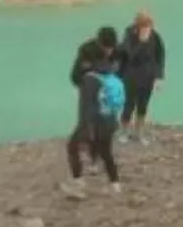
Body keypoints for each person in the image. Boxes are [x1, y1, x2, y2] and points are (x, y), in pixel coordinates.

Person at [64, 53, 125, 199]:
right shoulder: (110, 76)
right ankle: (115, 185)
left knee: (72, 147)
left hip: (95, 124)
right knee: (106, 153)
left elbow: (87, 108)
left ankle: (78, 184)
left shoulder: (89, 80)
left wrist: (86, 130)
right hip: (110, 121)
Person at [67, 27, 119, 171]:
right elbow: (75, 76)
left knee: (104, 127)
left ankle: (96, 158)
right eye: (106, 48)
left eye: (111, 48)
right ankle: (85, 151)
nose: (109, 51)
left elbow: (119, 69)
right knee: (87, 123)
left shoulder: (116, 51)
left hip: (107, 94)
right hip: (89, 94)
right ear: (99, 43)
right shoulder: (86, 51)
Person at [117, 11, 166, 145]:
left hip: (148, 76)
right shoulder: (129, 35)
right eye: (144, 26)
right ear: (138, 26)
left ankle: (139, 133)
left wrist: (159, 77)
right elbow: (130, 55)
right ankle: (123, 132)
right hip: (131, 76)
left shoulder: (155, 36)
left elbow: (160, 56)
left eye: (149, 26)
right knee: (129, 105)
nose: (147, 29)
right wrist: (141, 42)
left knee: (143, 105)